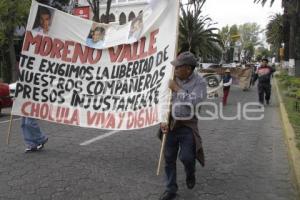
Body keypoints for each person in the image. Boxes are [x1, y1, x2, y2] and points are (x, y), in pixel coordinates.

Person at [159, 51, 207, 200]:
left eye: (178, 67)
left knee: (187, 157)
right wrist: (163, 120)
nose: (175, 69)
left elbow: (194, 103)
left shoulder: (200, 83)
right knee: (169, 158)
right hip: (171, 124)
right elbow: (162, 100)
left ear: (187, 68)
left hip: (187, 126)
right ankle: (170, 189)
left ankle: (190, 172)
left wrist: (177, 89)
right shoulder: (171, 78)